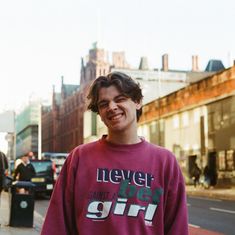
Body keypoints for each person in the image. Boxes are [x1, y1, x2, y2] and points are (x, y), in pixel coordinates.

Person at [41, 72, 188, 235]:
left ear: (137, 101)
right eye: (104, 104)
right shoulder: (79, 158)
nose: (111, 107)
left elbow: (177, 228)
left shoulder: (165, 162)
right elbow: (57, 225)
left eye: (120, 99)